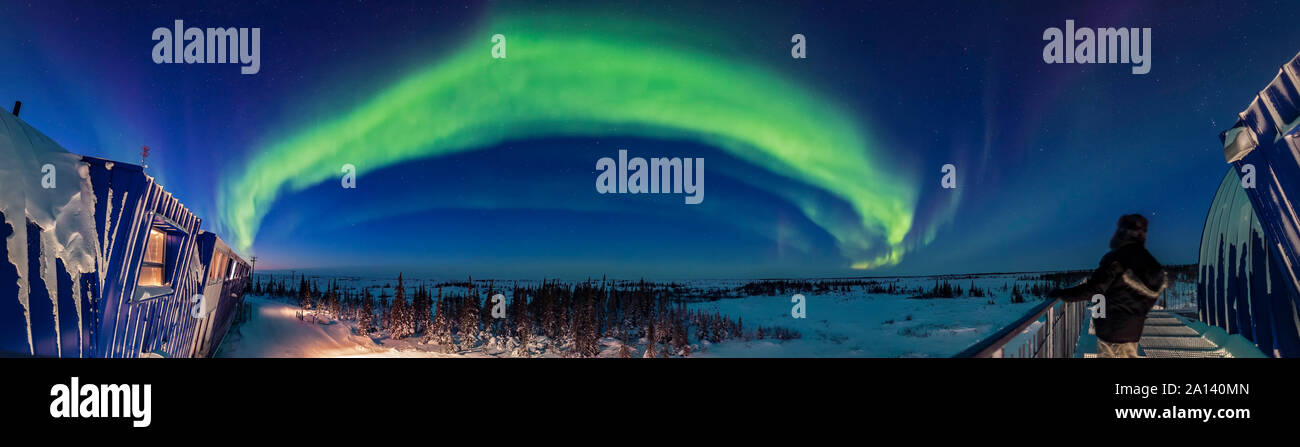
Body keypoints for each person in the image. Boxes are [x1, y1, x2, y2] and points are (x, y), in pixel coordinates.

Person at [1048, 214, 1167, 358]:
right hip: (1133, 331)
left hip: (1111, 329)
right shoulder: (1149, 261)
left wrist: (1063, 294)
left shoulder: (1116, 259)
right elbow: (1152, 293)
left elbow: (1094, 289)